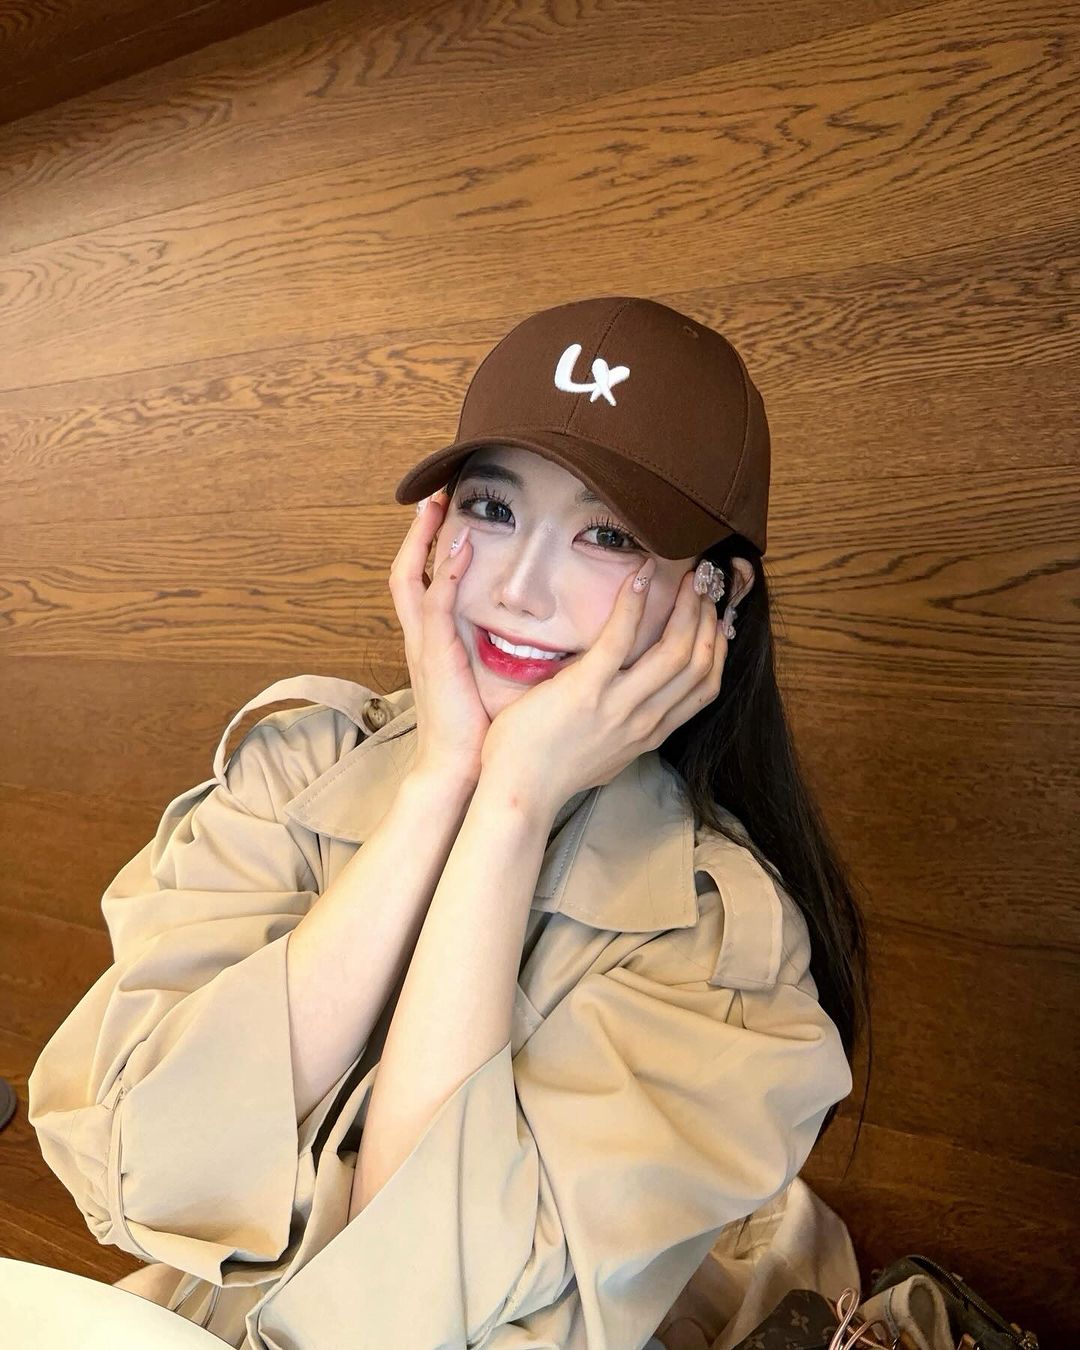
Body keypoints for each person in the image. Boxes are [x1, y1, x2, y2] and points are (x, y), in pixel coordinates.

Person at [26, 296, 870, 1350]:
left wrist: (512, 806)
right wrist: (439, 782)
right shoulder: (296, 769)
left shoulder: (721, 953)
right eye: (492, 509)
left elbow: (407, 1320)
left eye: (607, 534)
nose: (516, 589)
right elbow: (142, 1170)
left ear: (714, 594)